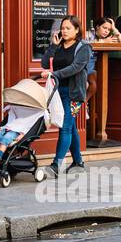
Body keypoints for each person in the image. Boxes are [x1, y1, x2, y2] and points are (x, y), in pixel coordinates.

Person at [41, 15, 92, 177]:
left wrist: (54, 74)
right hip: (57, 93)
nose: (64, 31)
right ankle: (78, 162)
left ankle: (56, 165)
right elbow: (43, 63)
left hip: (73, 94)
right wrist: (53, 47)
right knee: (71, 128)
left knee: (65, 127)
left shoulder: (83, 47)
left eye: (68, 28)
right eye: (62, 28)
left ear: (77, 30)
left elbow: (76, 67)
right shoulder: (59, 45)